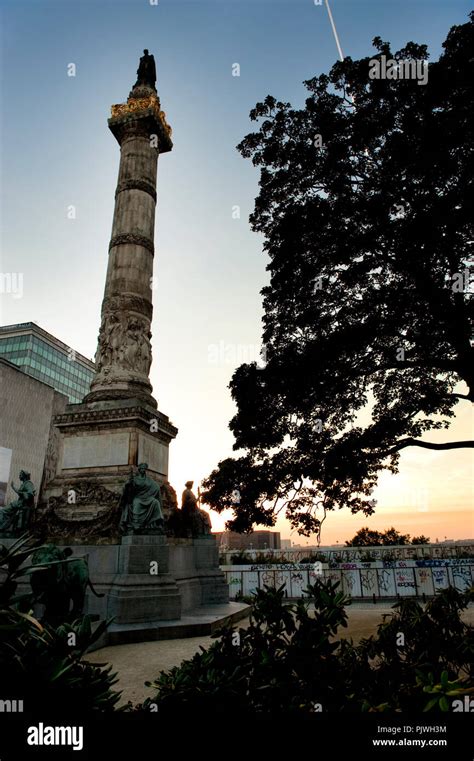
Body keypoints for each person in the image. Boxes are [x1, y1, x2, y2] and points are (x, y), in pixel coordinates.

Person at [120, 463, 164, 533]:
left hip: (147, 498)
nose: (143, 470)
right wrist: (128, 484)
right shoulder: (135, 479)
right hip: (138, 498)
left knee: (155, 502)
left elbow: (156, 486)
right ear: (139, 470)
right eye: (142, 469)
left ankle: (156, 522)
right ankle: (136, 524)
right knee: (137, 503)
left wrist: (157, 488)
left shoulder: (148, 479)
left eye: (144, 469)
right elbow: (128, 488)